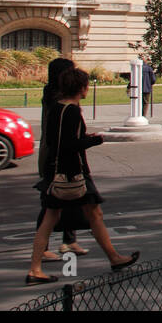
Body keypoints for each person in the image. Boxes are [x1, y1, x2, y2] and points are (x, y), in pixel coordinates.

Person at [25, 69, 139, 284]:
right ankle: (113, 257)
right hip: (73, 172)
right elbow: (71, 145)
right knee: (90, 214)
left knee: (58, 218)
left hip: (55, 171)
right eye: (86, 85)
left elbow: (54, 141)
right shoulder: (72, 112)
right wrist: (95, 140)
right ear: (80, 88)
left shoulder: (56, 108)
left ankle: (36, 268)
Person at [40, 57, 86, 258]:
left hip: (57, 156)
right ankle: (42, 251)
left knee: (68, 201)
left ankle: (69, 240)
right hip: (58, 158)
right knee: (51, 204)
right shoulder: (60, 101)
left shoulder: (54, 95)